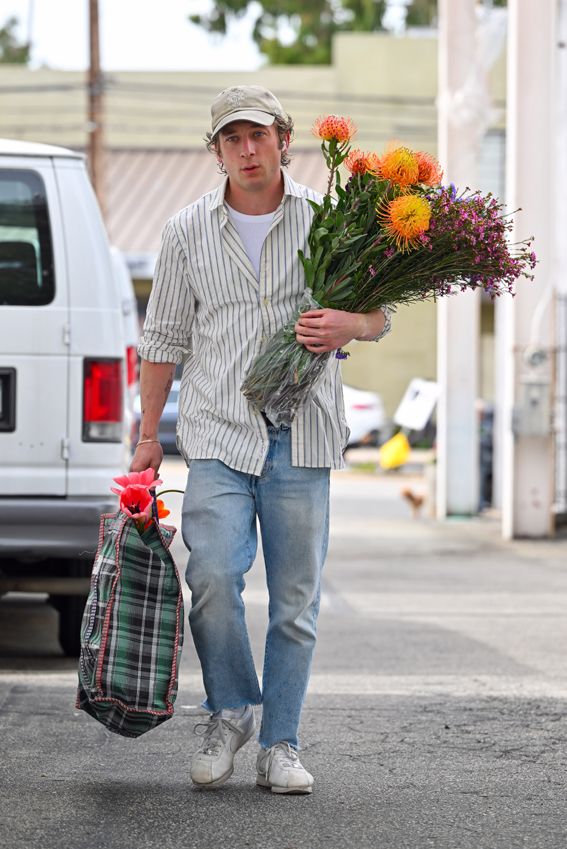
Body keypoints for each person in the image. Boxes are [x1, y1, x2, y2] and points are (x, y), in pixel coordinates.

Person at [132, 85, 391, 795]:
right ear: (215, 150)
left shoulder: (328, 221)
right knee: (211, 577)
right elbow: (162, 339)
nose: (246, 150)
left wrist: (351, 325)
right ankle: (229, 712)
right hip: (218, 430)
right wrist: (147, 434)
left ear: (284, 139)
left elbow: (379, 313)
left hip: (301, 436)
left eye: (258, 135)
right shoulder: (186, 229)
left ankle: (281, 742)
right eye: (231, 139)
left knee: (294, 604)